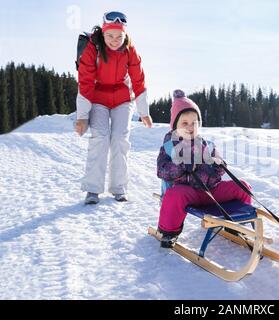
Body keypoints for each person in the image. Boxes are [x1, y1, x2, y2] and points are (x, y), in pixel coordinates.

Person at [156, 89, 252, 248]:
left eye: (194, 123)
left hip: (211, 191)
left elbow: (220, 170)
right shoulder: (169, 146)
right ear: (175, 126)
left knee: (242, 187)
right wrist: (180, 166)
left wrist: (218, 165)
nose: (190, 127)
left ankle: (236, 223)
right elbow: (162, 170)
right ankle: (168, 232)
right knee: (175, 195)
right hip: (188, 192)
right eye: (184, 123)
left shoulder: (207, 145)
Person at [74, 11, 153, 205]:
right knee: (100, 137)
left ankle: (119, 188)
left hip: (123, 98)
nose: (114, 40)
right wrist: (82, 116)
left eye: (119, 36)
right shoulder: (93, 48)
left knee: (119, 139)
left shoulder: (129, 50)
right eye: (110, 36)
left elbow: (138, 80)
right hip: (98, 96)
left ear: (125, 35)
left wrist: (144, 112)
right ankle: (92, 189)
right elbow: (85, 82)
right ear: (103, 32)